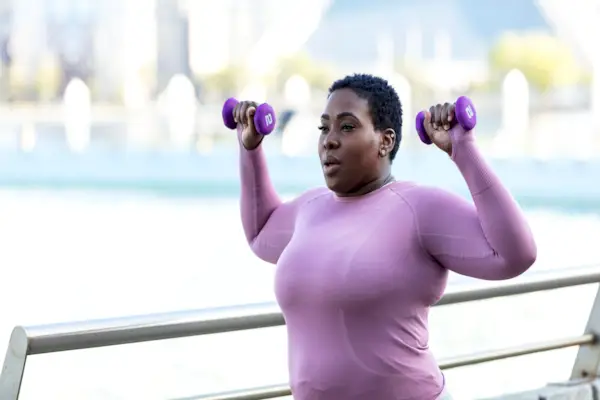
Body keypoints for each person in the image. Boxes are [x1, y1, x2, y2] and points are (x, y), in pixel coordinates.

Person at [232, 73, 537, 400]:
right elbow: (259, 233)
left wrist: (463, 149)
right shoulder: (310, 207)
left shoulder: (418, 207)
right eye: (324, 127)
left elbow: (515, 255)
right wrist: (250, 148)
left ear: (385, 141)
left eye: (347, 127)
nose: (329, 140)